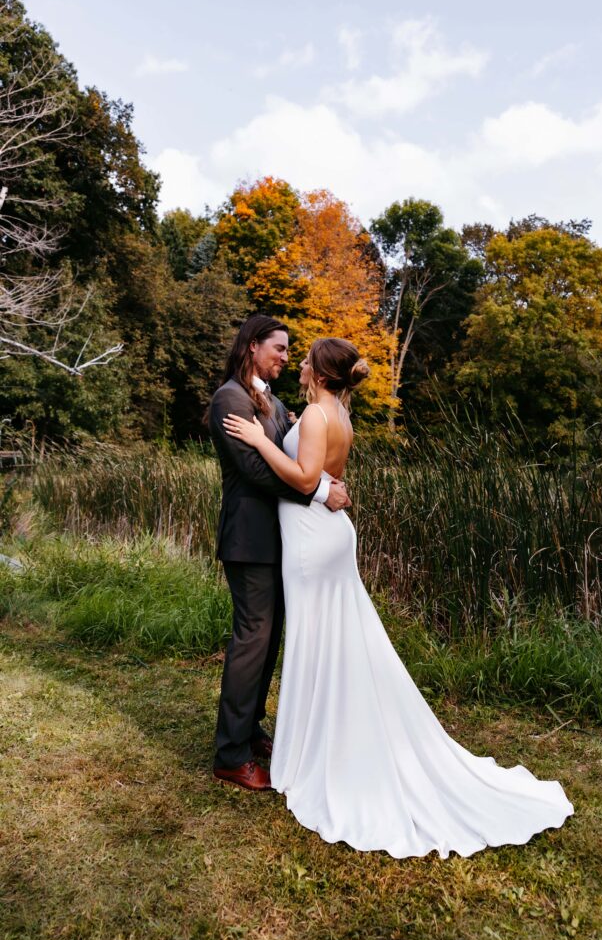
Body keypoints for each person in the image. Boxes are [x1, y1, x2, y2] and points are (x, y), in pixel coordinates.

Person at [223, 337, 574, 859]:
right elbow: (323, 471)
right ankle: (325, 737)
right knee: (339, 641)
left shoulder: (318, 417)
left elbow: (301, 476)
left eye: (305, 358)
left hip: (311, 540)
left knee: (319, 641)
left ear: (320, 371)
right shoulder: (335, 413)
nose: (297, 362)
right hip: (327, 533)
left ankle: (317, 751)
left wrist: (262, 437)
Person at [208, 316, 350, 792]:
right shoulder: (229, 399)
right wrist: (319, 492)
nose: (287, 358)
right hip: (249, 540)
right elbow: (255, 470)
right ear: (252, 347)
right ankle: (230, 755)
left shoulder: (275, 401)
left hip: (286, 542)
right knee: (252, 641)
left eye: (291, 351)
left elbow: (296, 455)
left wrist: (322, 478)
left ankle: (250, 732)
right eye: (280, 348)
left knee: (268, 643)